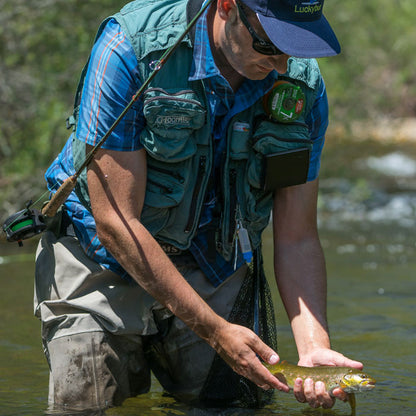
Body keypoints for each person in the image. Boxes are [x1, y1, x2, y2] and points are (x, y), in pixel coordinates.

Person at [34, 0, 363, 412]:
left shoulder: (303, 88)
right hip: (103, 259)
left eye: (293, 47)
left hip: (216, 263)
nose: (281, 65)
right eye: (269, 44)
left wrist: (315, 349)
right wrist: (214, 331)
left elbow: (296, 238)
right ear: (227, 6)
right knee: (85, 405)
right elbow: (116, 221)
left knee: (229, 407)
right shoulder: (130, 49)